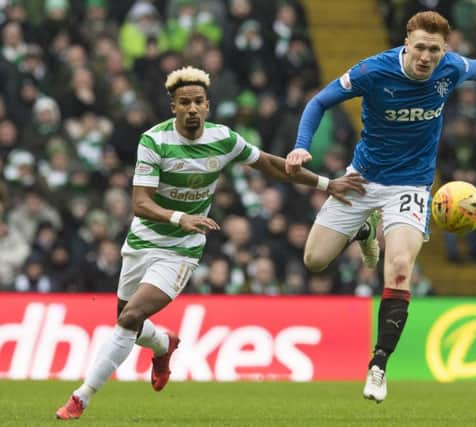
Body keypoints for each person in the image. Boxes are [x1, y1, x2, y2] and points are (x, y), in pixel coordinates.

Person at [55, 65, 366, 420]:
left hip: (182, 248)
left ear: (207, 105)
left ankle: (81, 397)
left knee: (130, 317)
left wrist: (327, 184)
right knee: (131, 324)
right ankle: (164, 344)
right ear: (173, 106)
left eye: (198, 102)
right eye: (184, 102)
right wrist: (180, 217)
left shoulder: (224, 139)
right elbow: (140, 202)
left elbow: (270, 164)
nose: (191, 108)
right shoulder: (154, 141)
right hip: (143, 240)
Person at [285, 11, 476, 403]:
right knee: (314, 260)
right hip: (362, 179)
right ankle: (362, 229)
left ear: (444, 49)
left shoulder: (450, 67)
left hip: (411, 185)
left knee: (397, 270)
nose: (427, 57)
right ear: (407, 43)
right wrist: (302, 143)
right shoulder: (372, 71)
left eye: (436, 49)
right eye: (421, 47)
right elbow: (320, 100)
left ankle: (378, 365)